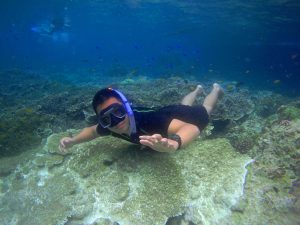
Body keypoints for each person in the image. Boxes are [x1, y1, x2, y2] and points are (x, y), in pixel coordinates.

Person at [59, 83, 223, 153]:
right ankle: (197, 90)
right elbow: (92, 131)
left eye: (118, 111)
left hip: (173, 115)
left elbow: (191, 128)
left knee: (205, 110)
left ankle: (215, 89)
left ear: (127, 107)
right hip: (168, 111)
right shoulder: (109, 127)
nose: (116, 122)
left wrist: (175, 143)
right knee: (184, 105)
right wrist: (72, 141)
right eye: (106, 119)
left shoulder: (150, 122)